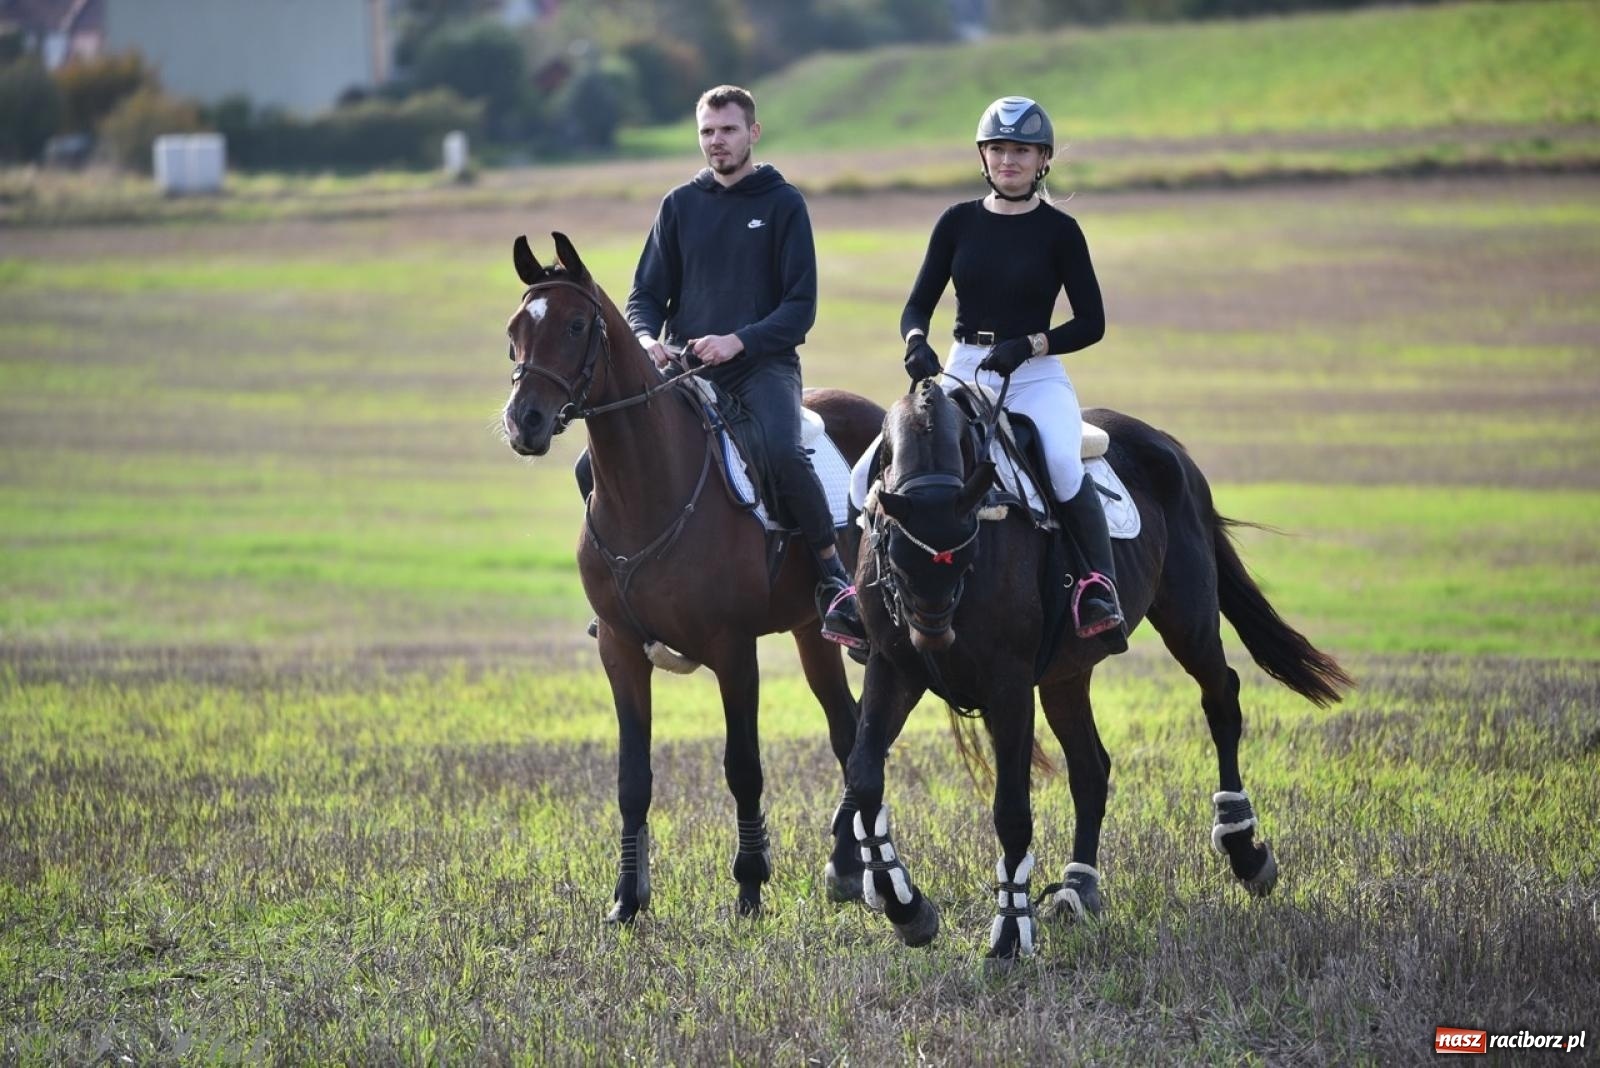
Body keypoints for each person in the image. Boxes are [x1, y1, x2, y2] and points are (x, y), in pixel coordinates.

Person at [860, 95, 1125, 651]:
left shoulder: (1060, 230)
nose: (1009, 160)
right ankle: (856, 596)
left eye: (1021, 151)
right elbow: (917, 306)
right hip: (961, 370)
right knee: (868, 473)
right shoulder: (956, 222)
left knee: (1058, 458)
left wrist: (1030, 344)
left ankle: (1097, 588)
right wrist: (915, 343)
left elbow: (1092, 322)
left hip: (1035, 374)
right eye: (998, 149)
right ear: (983, 157)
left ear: (1043, 159)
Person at [619, 84, 866, 650]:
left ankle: (832, 575)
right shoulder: (679, 205)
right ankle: (625, 588)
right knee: (598, 459)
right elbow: (645, 296)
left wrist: (738, 341)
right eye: (707, 132)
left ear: (753, 133)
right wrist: (643, 339)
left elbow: (800, 308)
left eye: (728, 130)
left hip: (763, 368)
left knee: (782, 450)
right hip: (685, 370)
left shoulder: (783, 204)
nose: (716, 142)